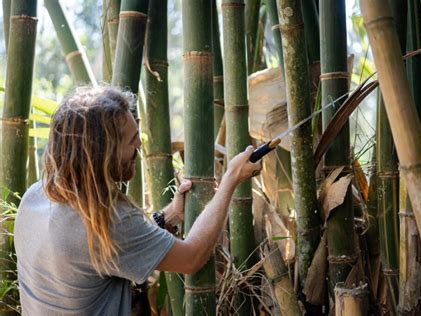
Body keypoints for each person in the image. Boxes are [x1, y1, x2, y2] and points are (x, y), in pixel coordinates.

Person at [14, 86, 261, 315]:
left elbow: (110, 251)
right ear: (104, 152)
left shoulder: (35, 197)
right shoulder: (105, 222)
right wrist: (230, 180)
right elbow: (191, 257)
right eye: (131, 140)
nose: (139, 145)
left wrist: (171, 215)